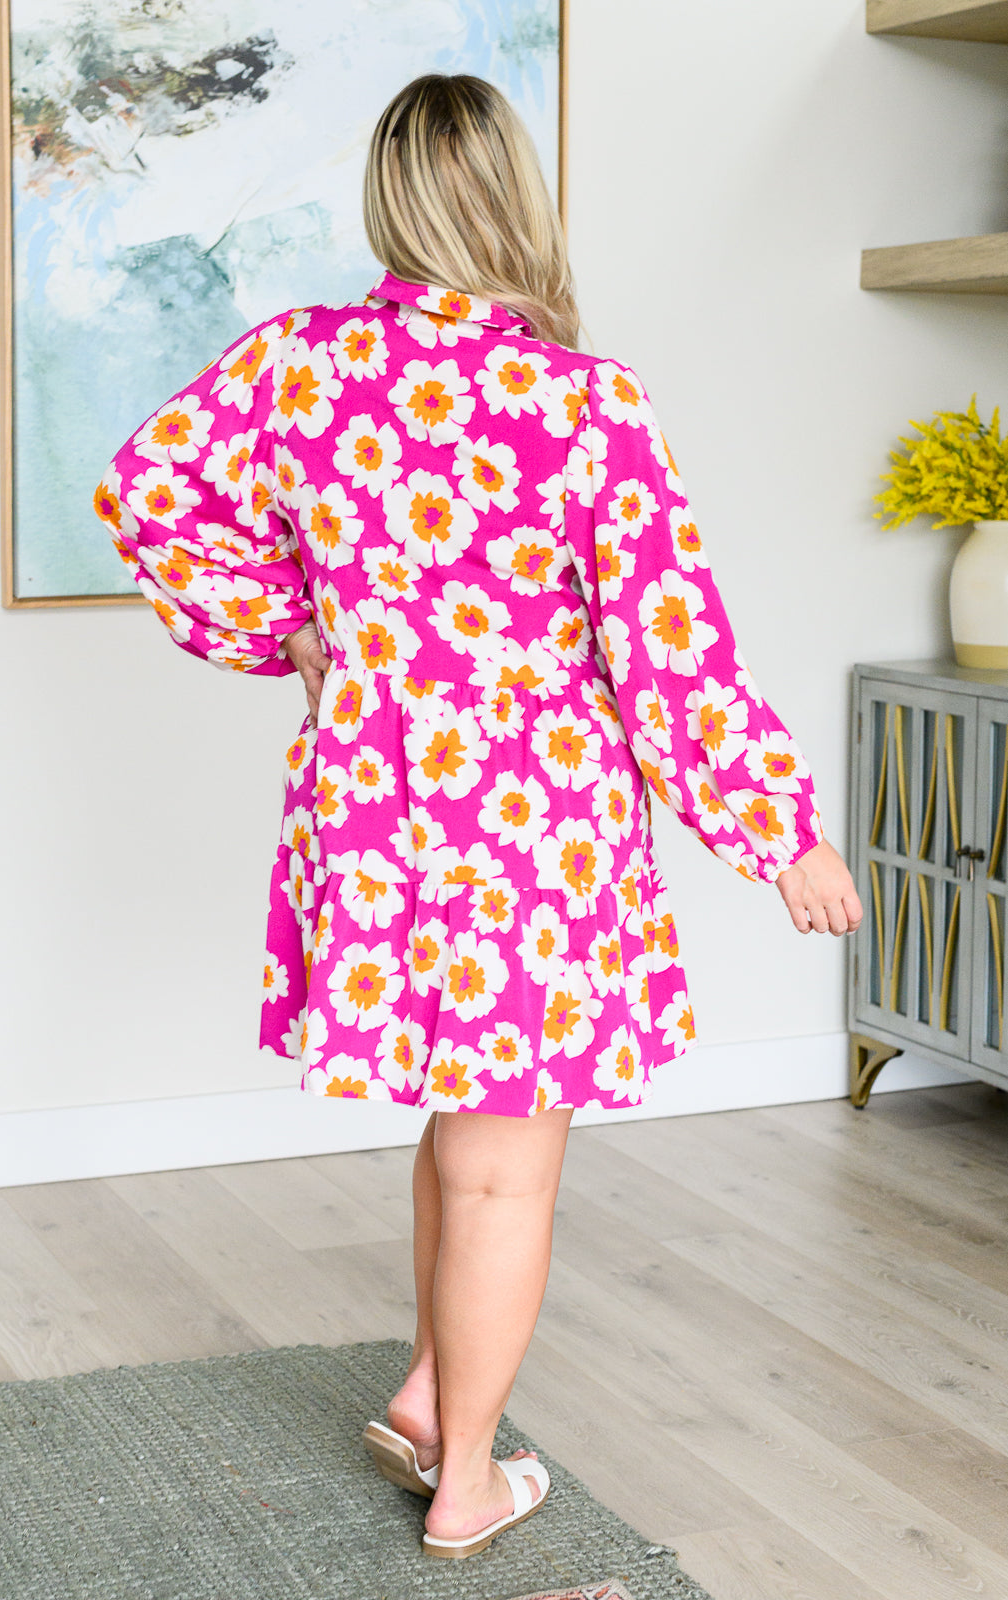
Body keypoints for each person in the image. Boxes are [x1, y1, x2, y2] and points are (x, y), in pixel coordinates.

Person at [94, 72, 862, 1560]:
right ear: (516, 198)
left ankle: (431, 1394)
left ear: (388, 198)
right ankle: (465, 1488)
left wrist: (289, 631)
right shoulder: (581, 402)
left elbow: (148, 493)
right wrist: (783, 832)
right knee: (506, 1162)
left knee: (462, 1128)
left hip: (375, 815)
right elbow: (669, 651)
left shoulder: (300, 365)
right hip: (532, 833)